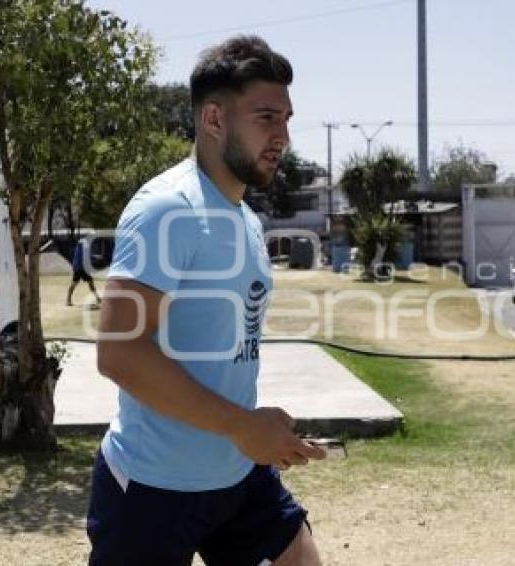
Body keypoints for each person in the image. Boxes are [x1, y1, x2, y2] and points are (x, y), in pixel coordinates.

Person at [86, 36, 325, 566]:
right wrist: (242, 425)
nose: (282, 135)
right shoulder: (167, 209)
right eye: (266, 117)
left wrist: (258, 426)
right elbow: (120, 353)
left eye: (286, 118)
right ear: (213, 118)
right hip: (152, 488)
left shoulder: (245, 218)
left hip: (238, 474)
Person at [67, 235, 102, 306]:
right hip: (81, 267)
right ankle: (97, 298)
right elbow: (87, 255)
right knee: (90, 281)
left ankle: (68, 300)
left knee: (74, 283)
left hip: (76, 267)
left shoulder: (79, 245)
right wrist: (96, 256)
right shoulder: (84, 244)